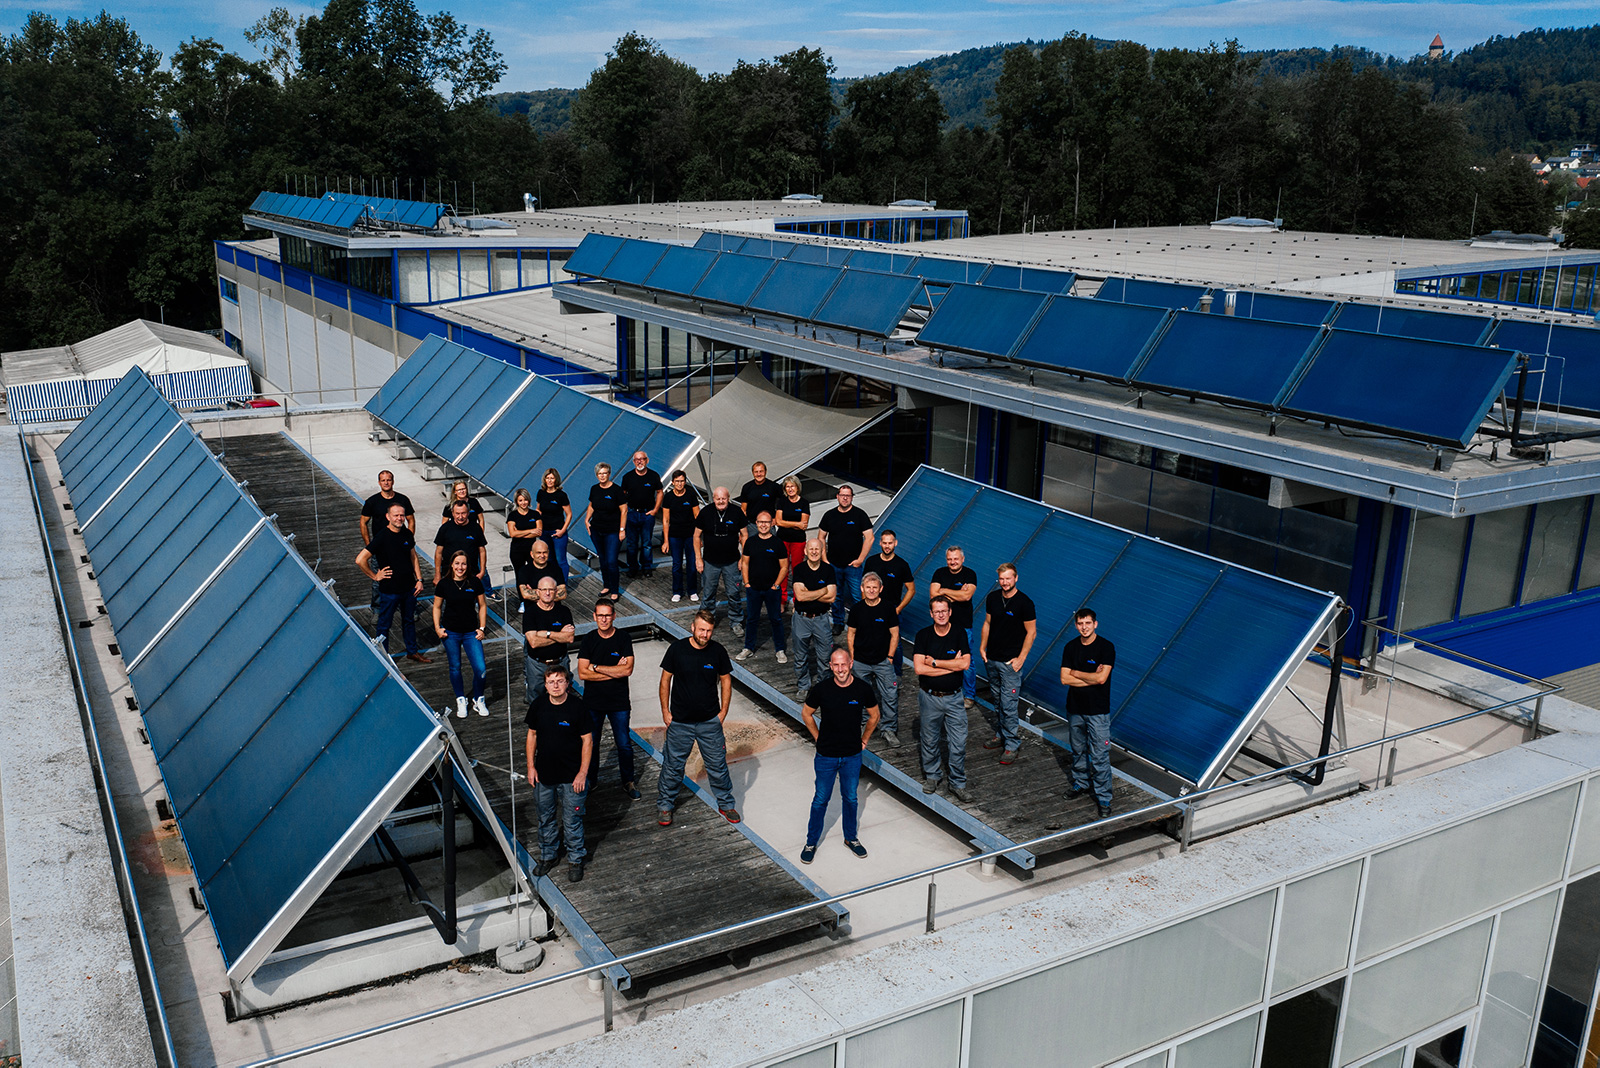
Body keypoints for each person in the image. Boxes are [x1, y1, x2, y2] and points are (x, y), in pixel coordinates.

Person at [656, 611, 740, 826]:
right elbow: (665, 680)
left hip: (709, 723)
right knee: (673, 766)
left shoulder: (718, 652)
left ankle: (726, 803)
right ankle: (665, 806)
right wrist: (665, 711)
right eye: (701, 629)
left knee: (717, 766)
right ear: (692, 627)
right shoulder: (677, 650)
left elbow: (726, 682)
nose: (705, 634)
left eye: (709, 630)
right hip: (680, 722)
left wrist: (723, 712)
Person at [799, 647, 880, 864]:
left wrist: (865, 739)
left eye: (843, 664)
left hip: (852, 755)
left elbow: (875, 715)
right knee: (820, 799)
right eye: (835, 665)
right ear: (830, 666)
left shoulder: (863, 689)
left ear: (851, 663)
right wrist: (817, 737)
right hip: (826, 755)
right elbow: (806, 713)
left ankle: (851, 838)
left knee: (851, 798)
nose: (840, 669)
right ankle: (811, 842)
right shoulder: (821, 689)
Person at [525, 665, 592, 882]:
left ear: (567, 684)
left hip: (572, 776)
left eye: (559, 681)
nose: (555, 685)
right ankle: (548, 856)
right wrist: (530, 767)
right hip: (544, 775)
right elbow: (532, 736)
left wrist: (582, 773)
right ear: (545, 685)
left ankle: (575, 859)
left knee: (572, 819)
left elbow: (587, 741)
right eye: (551, 682)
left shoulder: (578, 708)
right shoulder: (538, 706)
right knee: (545, 818)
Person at [577, 601, 639, 800]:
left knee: (624, 744)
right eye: (600, 615)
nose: (604, 619)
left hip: (618, 702)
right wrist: (614, 671)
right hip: (593, 703)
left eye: (607, 615)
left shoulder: (623, 638)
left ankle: (628, 781)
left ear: (614, 616)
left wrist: (596, 667)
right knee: (591, 744)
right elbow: (582, 674)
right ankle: (591, 780)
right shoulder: (588, 640)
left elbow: (628, 670)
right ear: (594, 616)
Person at [914, 595, 972, 802]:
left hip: (955, 699)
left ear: (950, 612)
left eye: (944, 611)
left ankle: (957, 783)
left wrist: (936, 663)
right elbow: (919, 669)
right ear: (931, 614)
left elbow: (965, 665)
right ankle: (932, 776)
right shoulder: (923, 636)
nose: (941, 614)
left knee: (958, 742)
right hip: (930, 698)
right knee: (929, 740)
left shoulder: (959, 634)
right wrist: (951, 665)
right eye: (937, 611)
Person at [356, 502, 430, 663]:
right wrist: (375, 575)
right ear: (388, 517)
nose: (399, 518)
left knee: (409, 620)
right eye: (396, 515)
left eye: (402, 515)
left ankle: (412, 651)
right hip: (390, 590)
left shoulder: (407, 534)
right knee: (384, 624)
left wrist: (419, 579)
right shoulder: (382, 537)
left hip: (409, 587)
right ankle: (383, 657)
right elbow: (360, 559)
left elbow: (413, 557)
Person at [1061, 608, 1117, 819]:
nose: (1084, 627)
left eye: (1087, 623)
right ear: (1076, 625)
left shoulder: (1106, 648)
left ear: (1095, 624)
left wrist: (1077, 673)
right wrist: (1089, 677)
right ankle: (1081, 783)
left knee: (1100, 756)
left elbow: (1102, 679)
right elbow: (1065, 678)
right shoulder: (1070, 647)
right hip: (1075, 709)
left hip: (1098, 712)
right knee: (1078, 750)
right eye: (1080, 624)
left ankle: (1104, 798)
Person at [979, 563, 1037, 764]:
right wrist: (982, 648)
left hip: (1010, 663)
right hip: (992, 659)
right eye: (1002, 579)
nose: (1005, 582)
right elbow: (987, 623)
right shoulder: (993, 598)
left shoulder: (1024, 603)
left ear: (1016, 578)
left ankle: (1012, 744)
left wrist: (1021, 658)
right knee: (997, 700)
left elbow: (1031, 632)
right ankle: (1001, 734)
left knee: (1009, 705)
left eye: (1008, 578)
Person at [432, 550, 489, 718]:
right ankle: (461, 699)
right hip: (451, 633)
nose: (460, 567)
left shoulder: (474, 582)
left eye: (463, 564)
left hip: (471, 632)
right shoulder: (444, 584)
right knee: (455, 667)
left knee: (481, 669)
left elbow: (483, 605)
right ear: (451, 564)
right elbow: (436, 607)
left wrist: (482, 628)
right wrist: (437, 628)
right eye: (457, 563)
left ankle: (478, 699)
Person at [846, 572, 900, 747]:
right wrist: (852, 657)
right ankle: (865, 722)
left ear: (881, 589)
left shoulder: (888, 609)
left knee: (890, 695)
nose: (871, 590)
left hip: (883, 661)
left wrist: (890, 657)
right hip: (861, 662)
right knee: (862, 694)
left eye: (874, 588)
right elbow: (851, 634)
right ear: (862, 588)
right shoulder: (856, 610)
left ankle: (889, 729)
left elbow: (895, 634)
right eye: (868, 587)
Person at [818, 485, 874, 635]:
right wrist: (824, 559)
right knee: (836, 597)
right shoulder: (829, 515)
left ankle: (859, 624)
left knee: (857, 597)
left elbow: (870, 538)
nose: (844, 498)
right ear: (837, 496)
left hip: (853, 567)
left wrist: (860, 559)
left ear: (852, 497)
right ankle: (838, 623)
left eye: (848, 496)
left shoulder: (860, 515)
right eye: (842, 495)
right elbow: (821, 537)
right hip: (834, 564)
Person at [929, 546, 979, 706]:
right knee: (943, 657)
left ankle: (969, 695)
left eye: (956, 559)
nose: (953, 562)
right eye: (950, 559)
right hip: (942, 626)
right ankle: (946, 690)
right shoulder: (939, 573)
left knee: (966, 661)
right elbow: (933, 595)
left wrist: (943, 591)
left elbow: (967, 596)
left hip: (964, 626)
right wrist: (956, 593)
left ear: (962, 559)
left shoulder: (970, 574)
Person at [694, 486, 747, 636]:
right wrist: (698, 558)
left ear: (728, 498)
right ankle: (706, 621)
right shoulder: (705, 512)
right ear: (713, 499)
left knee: (733, 593)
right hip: (710, 562)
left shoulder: (736, 512)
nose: (721, 501)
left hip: (731, 561)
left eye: (724, 498)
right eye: (718, 498)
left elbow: (745, 535)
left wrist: (743, 558)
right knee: (708, 594)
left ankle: (736, 621)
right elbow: (696, 536)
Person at [738, 511, 789, 664]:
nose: (763, 525)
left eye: (766, 522)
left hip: (771, 590)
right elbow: (745, 563)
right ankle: (748, 648)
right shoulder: (751, 542)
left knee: (776, 619)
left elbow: (784, 566)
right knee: (752, 619)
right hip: (753, 588)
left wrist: (776, 585)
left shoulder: (777, 543)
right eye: (760, 522)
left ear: (771, 523)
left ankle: (780, 650)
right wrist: (746, 583)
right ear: (756, 523)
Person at [360, 469, 414, 613]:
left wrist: (409, 539)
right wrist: (369, 545)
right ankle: (377, 609)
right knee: (379, 580)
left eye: (388, 480)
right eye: (383, 480)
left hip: (401, 546)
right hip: (381, 548)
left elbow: (411, 520)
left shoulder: (403, 500)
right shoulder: (372, 502)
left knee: (407, 574)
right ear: (379, 482)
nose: (386, 482)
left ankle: (409, 607)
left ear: (393, 481)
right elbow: (363, 522)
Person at [790, 539, 837, 694]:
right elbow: (800, 596)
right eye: (811, 549)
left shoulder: (828, 570)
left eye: (817, 549)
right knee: (800, 657)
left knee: (825, 657)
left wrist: (809, 592)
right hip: (801, 619)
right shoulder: (799, 570)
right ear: (805, 551)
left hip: (821, 619)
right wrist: (822, 590)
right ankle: (803, 687)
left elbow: (831, 598)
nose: (814, 552)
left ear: (821, 550)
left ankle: (823, 688)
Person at [523, 576, 575, 703]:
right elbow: (533, 642)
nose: (547, 593)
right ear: (538, 592)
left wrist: (546, 633)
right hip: (537, 665)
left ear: (556, 591)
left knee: (563, 698)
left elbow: (569, 638)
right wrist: (559, 635)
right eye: (544, 589)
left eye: (551, 590)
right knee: (535, 701)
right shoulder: (530, 613)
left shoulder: (564, 611)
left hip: (560, 663)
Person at [585, 462, 628, 600]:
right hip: (597, 530)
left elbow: (624, 510)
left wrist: (622, 530)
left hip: (612, 532)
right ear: (596, 475)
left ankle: (615, 590)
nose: (602, 476)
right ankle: (606, 586)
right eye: (599, 474)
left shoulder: (617, 490)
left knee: (611, 561)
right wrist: (587, 520)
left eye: (604, 473)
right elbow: (591, 505)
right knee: (602, 559)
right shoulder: (594, 489)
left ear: (609, 474)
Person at [659, 470, 701, 603]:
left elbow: (697, 517)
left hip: (690, 535)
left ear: (685, 481)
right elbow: (666, 520)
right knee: (676, 564)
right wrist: (666, 541)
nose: (679, 484)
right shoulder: (669, 498)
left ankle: (692, 590)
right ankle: (677, 591)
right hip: (675, 536)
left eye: (682, 481)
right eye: (677, 481)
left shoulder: (690, 494)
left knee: (692, 564)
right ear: (672, 482)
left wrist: (699, 538)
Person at [621, 450, 663, 577]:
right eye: (637, 459)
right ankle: (632, 567)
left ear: (647, 460)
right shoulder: (627, 477)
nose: (639, 461)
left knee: (647, 544)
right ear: (633, 462)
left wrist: (655, 510)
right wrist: (625, 511)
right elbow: (622, 495)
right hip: (632, 514)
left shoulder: (653, 476)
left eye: (642, 459)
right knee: (631, 544)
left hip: (647, 515)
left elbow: (660, 492)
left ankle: (646, 567)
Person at [774, 476, 809, 605]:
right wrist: (796, 524)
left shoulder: (804, 503)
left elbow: (804, 524)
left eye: (792, 486)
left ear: (797, 487)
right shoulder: (782, 501)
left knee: (797, 570)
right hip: (782, 539)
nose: (790, 489)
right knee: (783, 569)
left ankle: (797, 598)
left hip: (798, 541)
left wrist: (786, 523)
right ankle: (782, 600)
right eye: (787, 486)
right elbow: (778, 521)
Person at [435, 499, 488, 585]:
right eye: (457, 513)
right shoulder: (445, 528)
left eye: (463, 513)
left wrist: (482, 571)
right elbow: (438, 553)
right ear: (452, 513)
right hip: (449, 574)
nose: (460, 517)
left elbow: (482, 551)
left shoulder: (476, 528)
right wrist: (437, 574)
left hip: (471, 574)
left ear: (468, 513)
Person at [537, 468, 573, 585]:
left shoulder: (561, 495)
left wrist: (563, 530)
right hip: (544, 532)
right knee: (549, 559)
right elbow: (538, 510)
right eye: (547, 478)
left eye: (552, 478)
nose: (549, 480)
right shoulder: (541, 493)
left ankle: (562, 585)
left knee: (561, 560)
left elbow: (569, 514)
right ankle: (552, 583)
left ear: (556, 479)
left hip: (558, 532)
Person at [506, 488, 543, 592]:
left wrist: (520, 533)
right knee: (520, 575)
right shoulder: (512, 515)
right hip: (517, 550)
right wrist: (531, 531)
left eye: (525, 500)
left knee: (534, 573)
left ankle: (535, 596)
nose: (523, 503)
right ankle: (522, 600)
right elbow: (512, 534)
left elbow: (539, 532)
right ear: (517, 501)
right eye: (520, 500)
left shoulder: (535, 514)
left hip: (532, 550)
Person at [516, 538, 567, 610]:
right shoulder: (524, 570)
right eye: (538, 553)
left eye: (545, 552)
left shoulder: (556, 569)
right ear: (532, 554)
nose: (542, 556)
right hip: (533, 611)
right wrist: (552, 593)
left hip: (553, 610)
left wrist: (535, 592)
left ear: (548, 552)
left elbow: (563, 594)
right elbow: (525, 594)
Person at [738, 461, 782, 537]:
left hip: (769, 525)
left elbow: (783, 503)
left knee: (770, 548)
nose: (759, 474)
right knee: (753, 548)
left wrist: (776, 518)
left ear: (765, 472)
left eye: (761, 471)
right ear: (752, 473)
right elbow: (743, 509)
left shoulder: (774, 487)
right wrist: (742, 528)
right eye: (756, 472)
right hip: (752, 526)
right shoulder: (747, 487)